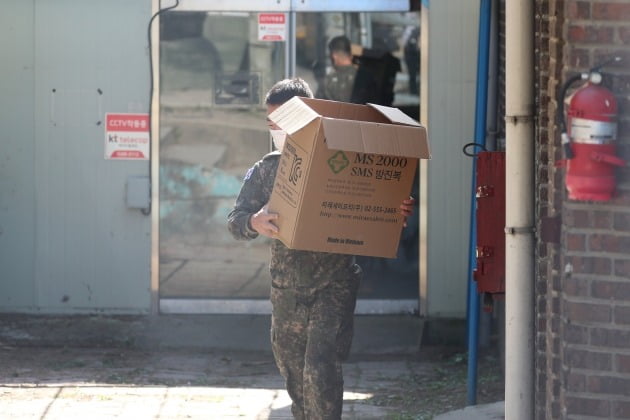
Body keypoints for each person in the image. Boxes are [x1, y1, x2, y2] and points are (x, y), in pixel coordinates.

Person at [227, 77, 415, 420]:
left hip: (334, 284)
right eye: (271, 122)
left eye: (282, 120)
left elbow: (378, 203)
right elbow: (235, 219)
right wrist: (253, 221)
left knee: (320, 366)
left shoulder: (347, 159)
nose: (276, 129)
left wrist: (394, 211)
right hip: (287, 290)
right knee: (295, 374)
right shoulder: (269, 169)